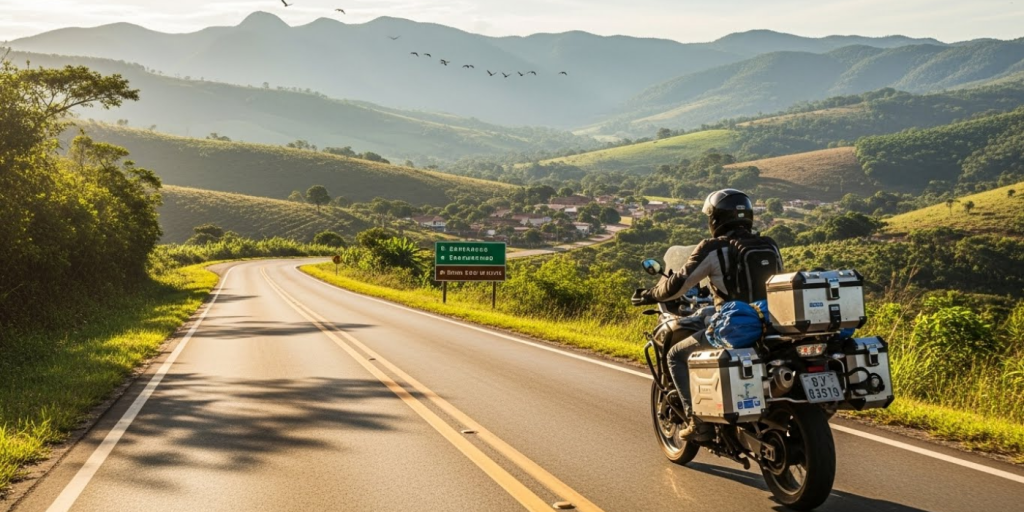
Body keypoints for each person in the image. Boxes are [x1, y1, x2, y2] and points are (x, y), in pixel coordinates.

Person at [642, 189, 782, 439]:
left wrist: (652, 293)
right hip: (770, 324)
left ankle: (698, 423)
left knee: (676, 355)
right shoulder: (769, 245)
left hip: (735, 327)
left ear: (715, 218)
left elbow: (678, 284)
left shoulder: (715, 248)